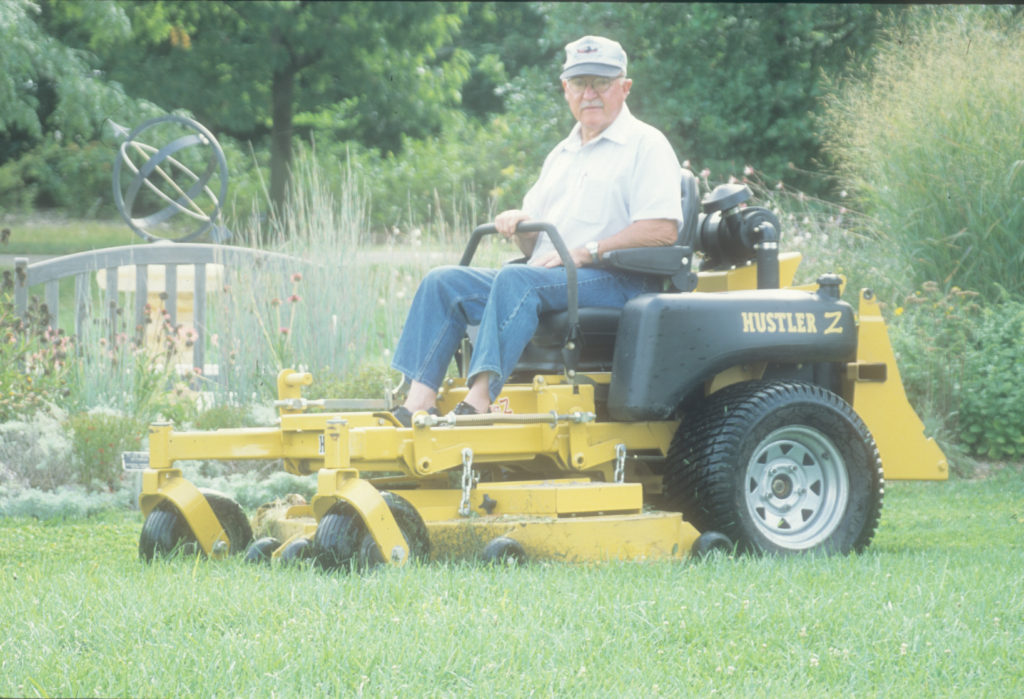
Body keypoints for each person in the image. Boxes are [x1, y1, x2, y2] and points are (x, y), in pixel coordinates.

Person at [389, 35, 683, 426]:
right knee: (443, 282)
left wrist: (587, 251)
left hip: (619, 281)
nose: (590, 93)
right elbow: (535, 245)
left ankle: (478, 404)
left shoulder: (646, 145)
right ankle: (416, 404)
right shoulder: (562, 154)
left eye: (602, 82)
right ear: (566, 89)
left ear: (625, 87)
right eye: (580, 83)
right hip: (552, 279)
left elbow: (662, 230)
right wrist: (519, 225)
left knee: (517, 281)